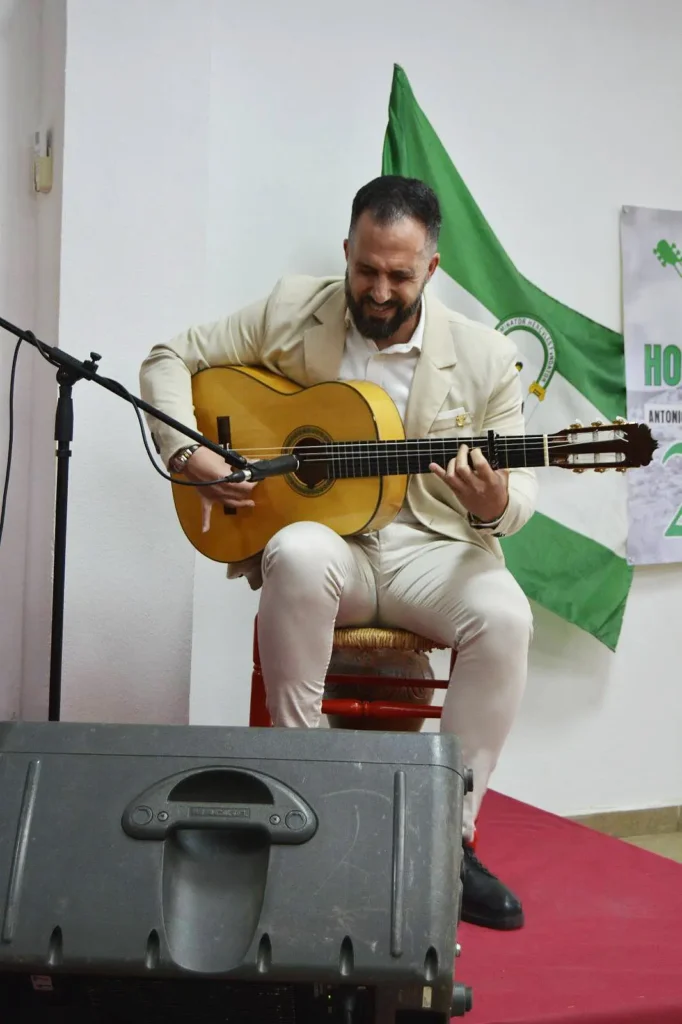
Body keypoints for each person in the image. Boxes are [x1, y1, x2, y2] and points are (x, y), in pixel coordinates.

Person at [139, 175, 537, 931]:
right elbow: (169, 357)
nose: (379, 290)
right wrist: (188, 451)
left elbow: (515, 504)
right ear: (346, 249)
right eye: (366, 268)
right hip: (337, 550)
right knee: (293, 550)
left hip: (432, 547)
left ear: (433, 269)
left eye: (400, 274)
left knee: (506, 618)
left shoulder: (485, 358)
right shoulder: (296, 307)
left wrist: (494, 504)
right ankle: (303, 797)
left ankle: (448, 840)